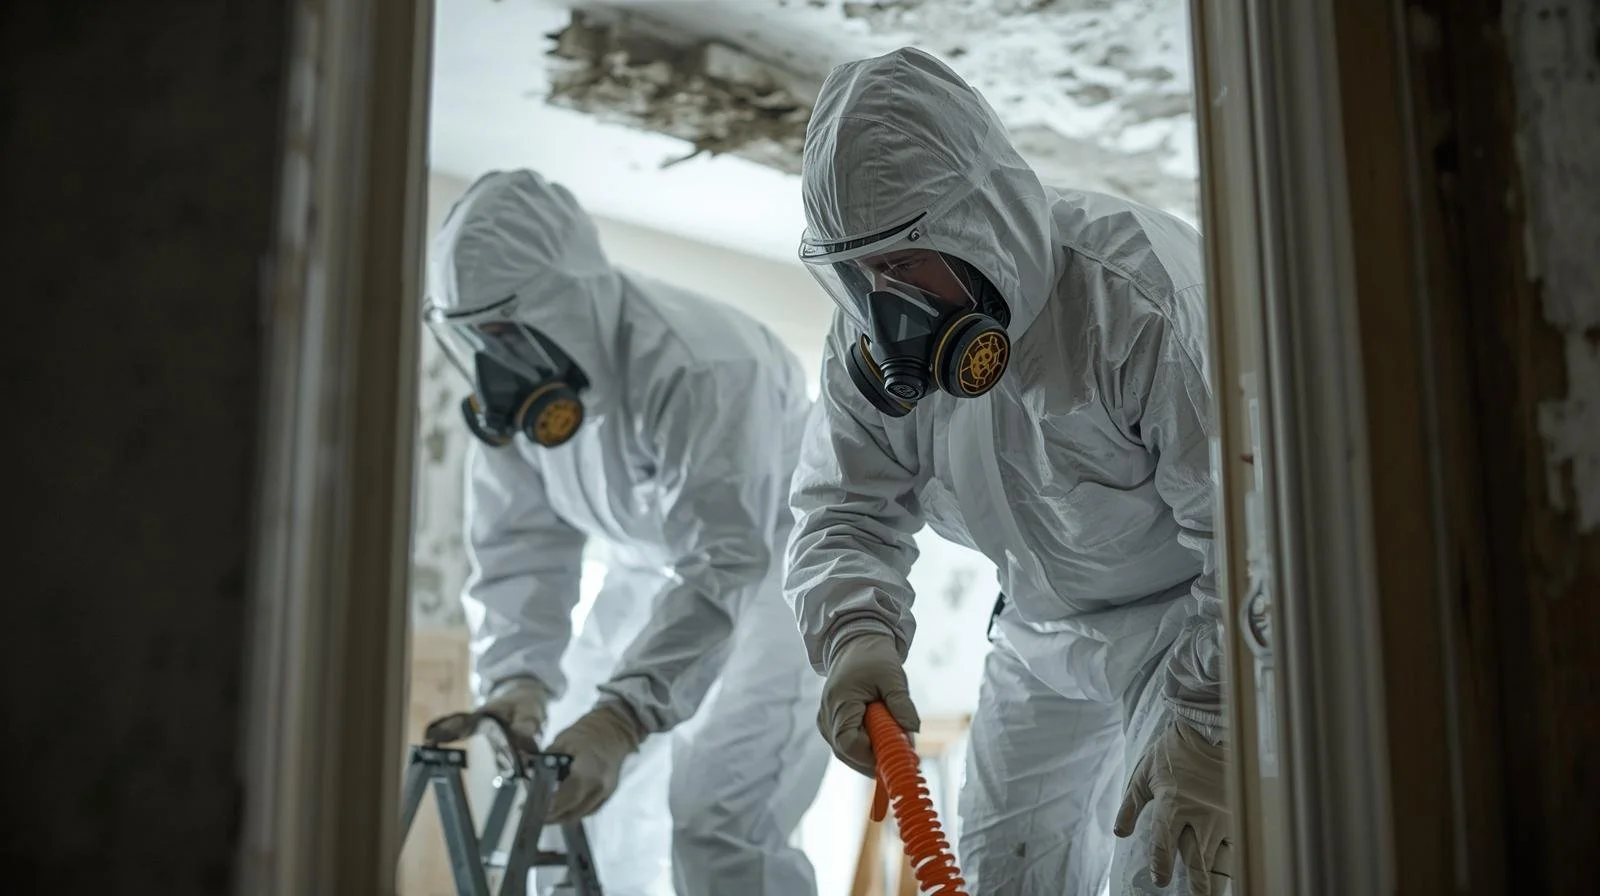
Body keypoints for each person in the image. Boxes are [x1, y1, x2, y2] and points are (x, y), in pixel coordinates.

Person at [784, 47, 1231, 895]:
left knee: (1172, 872)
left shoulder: (1132, 296)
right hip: (1037, 630)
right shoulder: (862, 352)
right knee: (1005, 872)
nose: (885, 302)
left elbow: (1254, 534)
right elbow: (843, 511)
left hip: (1191, 627)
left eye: (904, 260)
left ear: (975, 223)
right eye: (859, 271)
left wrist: (1213, 718)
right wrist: (855, 638)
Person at [423, 169, 829, 896]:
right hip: (653, 567)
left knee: (720, 815)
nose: (496, 357)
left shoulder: (701, 364)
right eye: (476, 336)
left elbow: (722, 562)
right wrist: (518, 678)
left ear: (567, 299)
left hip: (781, 563)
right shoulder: (513, 398)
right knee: (561, 785)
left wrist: (624, 716)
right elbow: (521, 548)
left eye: (509, 331)